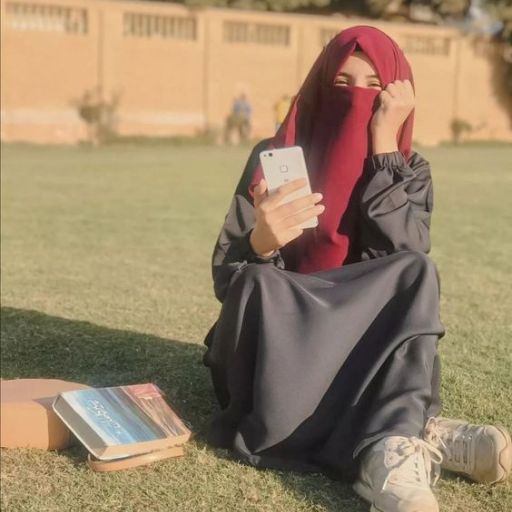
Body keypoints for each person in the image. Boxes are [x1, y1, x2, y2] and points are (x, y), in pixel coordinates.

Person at [202, 26, 511, 512]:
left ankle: (390, 447)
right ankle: (408, 431)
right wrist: (262, 243)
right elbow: (230, 281)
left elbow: (405, 251)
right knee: (260, 279)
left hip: (359, 337)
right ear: (319, 86)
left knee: (415, 272)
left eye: (373, 88)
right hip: (282, 343)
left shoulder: (409, 169)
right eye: (341, 85)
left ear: (397, 97)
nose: (355, 99)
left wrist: (383, 145)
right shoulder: (275, 156)